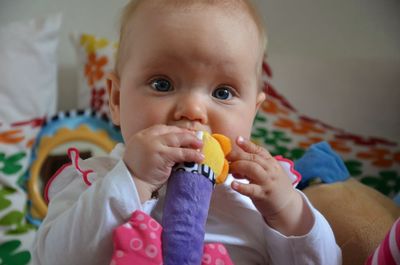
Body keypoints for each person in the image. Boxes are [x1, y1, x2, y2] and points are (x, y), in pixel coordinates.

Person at [31, 0, 342, 264]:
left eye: (223, 92)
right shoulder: (92, 179)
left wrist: (288, 212)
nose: (193, 110)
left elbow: (329, 260)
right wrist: (132, 179)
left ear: (253, 114)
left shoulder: (260, 192)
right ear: (116, 99)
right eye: (162, 84)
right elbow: (51, 256)